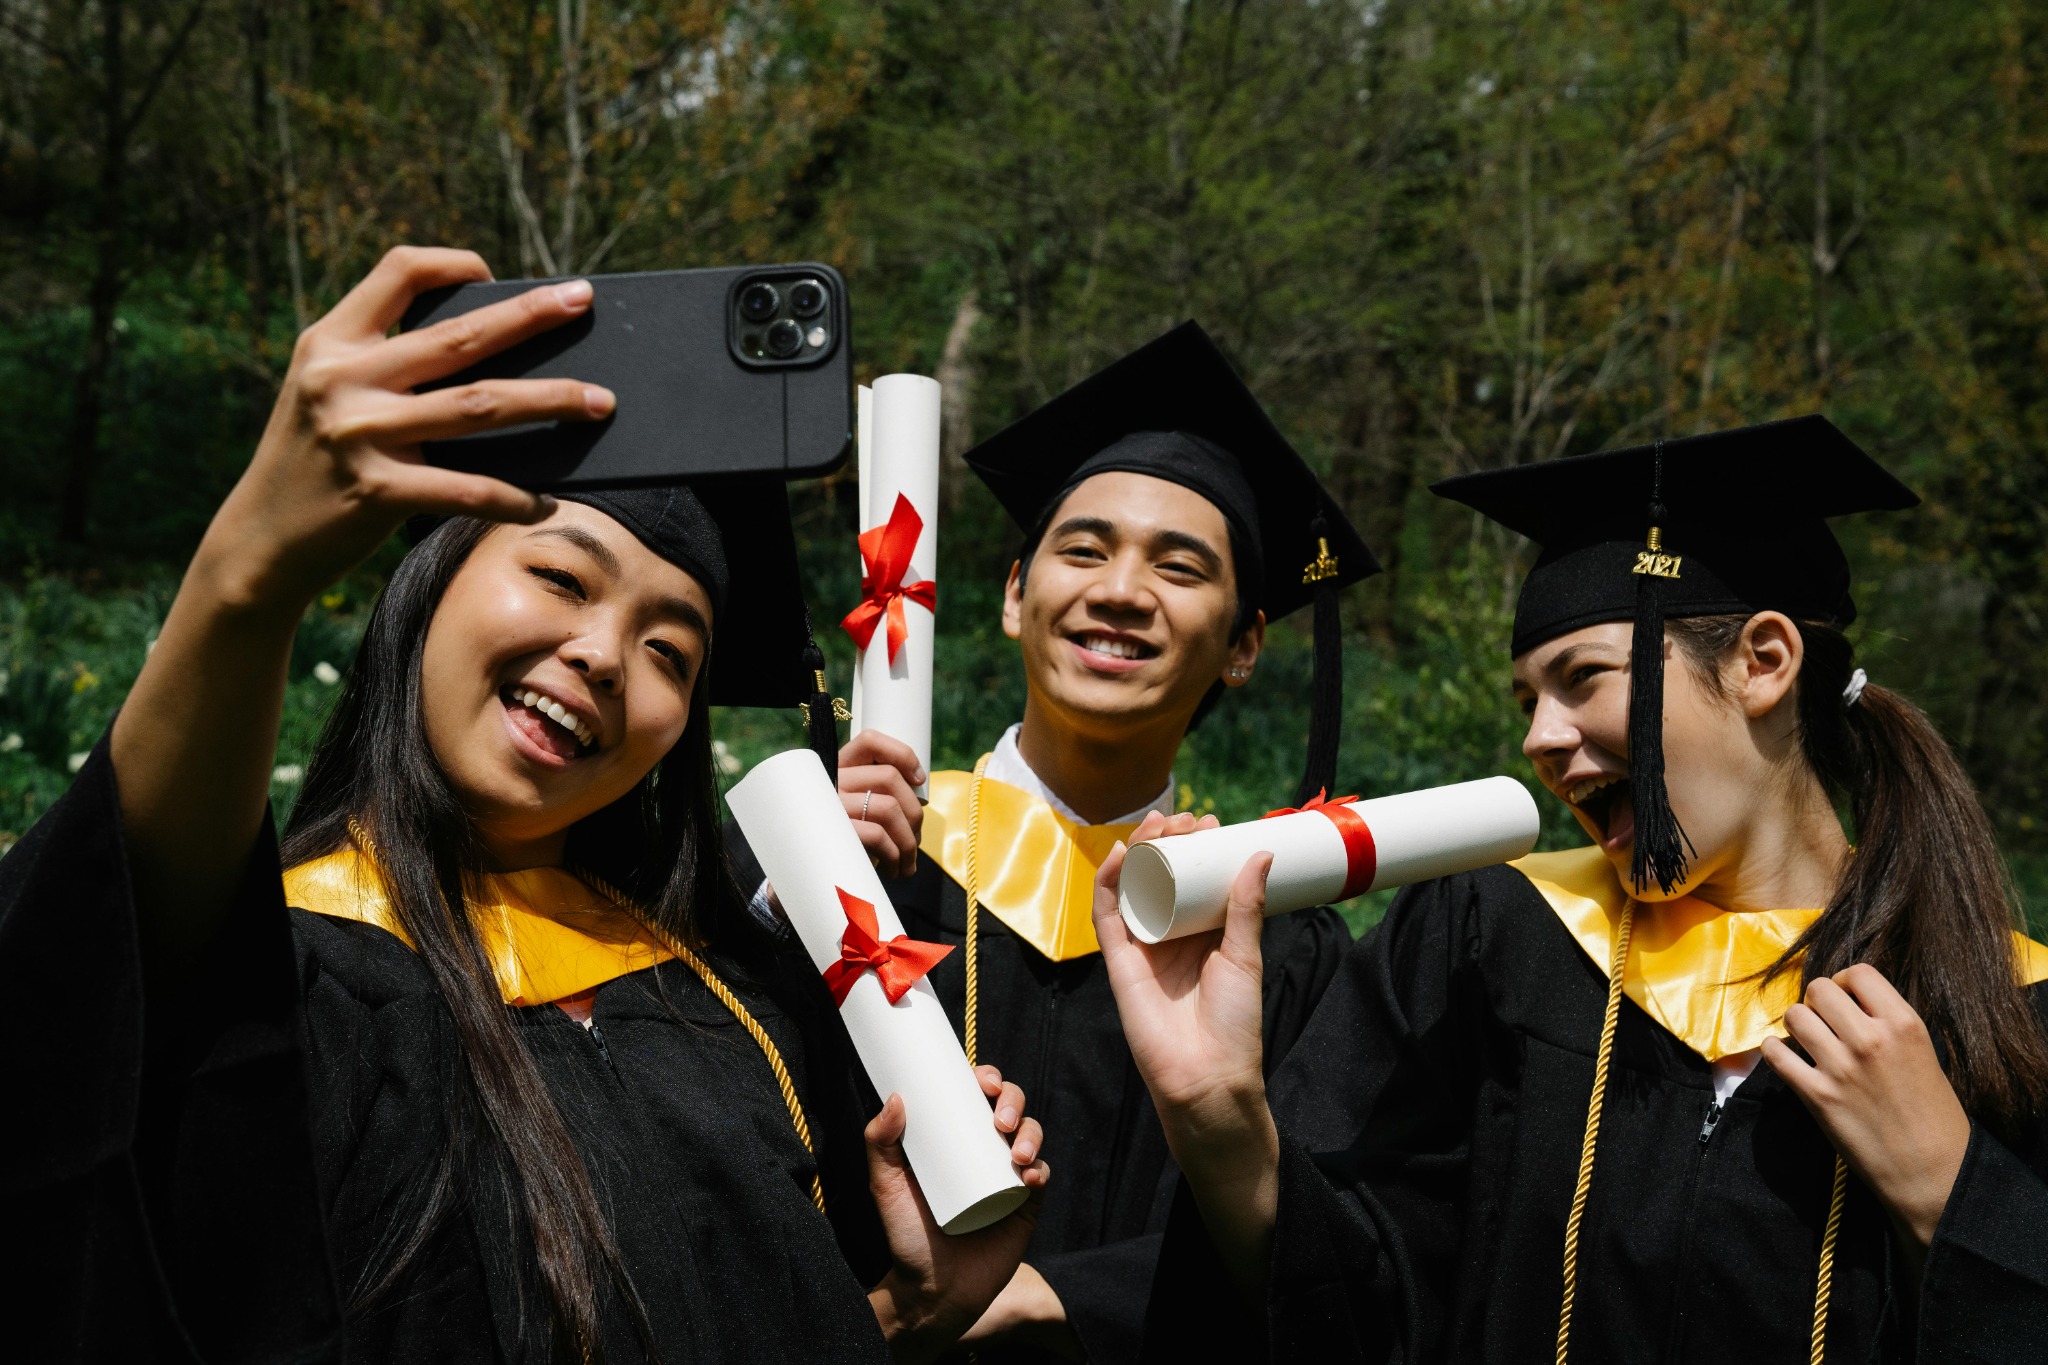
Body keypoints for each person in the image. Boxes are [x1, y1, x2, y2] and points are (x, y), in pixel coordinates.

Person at [1, 247, 1050, 1364]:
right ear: (430, 582)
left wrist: (908, 1311)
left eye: (668, 650)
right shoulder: (279, 979)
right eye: (558, 578)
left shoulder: (734, 1013)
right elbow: (86, 972)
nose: (602, 654)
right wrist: (251, 568)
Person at [1093, 417, 2048, 1361]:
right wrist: (1220, 1117)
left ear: (1764, 663)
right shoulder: (1488, 943)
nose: (1540, 739)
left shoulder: (1998, 1006)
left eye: (1582, 677)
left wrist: (1953, 1194)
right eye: (1526, 700)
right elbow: (1359, 1310)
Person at [774, 323, 1368, 1362]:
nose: (1121, 590)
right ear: (1014, 595)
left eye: (1179, 568)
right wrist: (786, 886)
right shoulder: (854, 867)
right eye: (1083, 550)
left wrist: (1057, 1295)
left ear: (1242, 647)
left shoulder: (1281, 950)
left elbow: (1336, 1255)